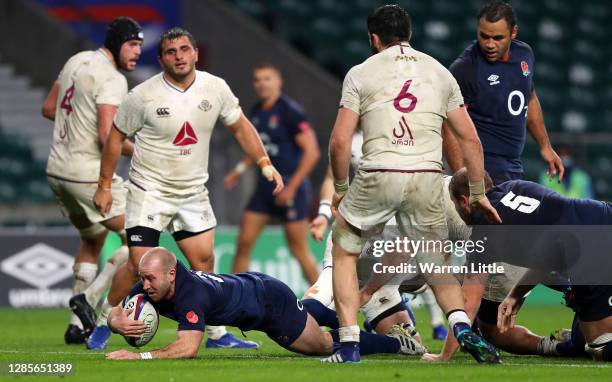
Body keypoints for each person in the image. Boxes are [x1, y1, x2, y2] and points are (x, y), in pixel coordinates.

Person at [74, 27, 284, 349]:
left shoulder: (215, 88)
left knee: (204, 265)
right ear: (161, 59)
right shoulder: (142, 95)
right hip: (149, 190)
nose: (179, 56)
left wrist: (265, 163)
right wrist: (104, 185)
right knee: (138, 266)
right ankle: (104, 321)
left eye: (185, 49)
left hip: (192, 192)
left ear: (195, 53)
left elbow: (240, 126)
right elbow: (115, 137)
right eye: (171, 52)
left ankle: (215, 334)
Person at [324, 4, 501, 363]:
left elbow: (340, 142)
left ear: (374, 38)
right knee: (436, 262)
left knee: (344, 249)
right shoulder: (439, 72)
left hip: (379, 173)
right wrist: (479, 193)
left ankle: (348, 346)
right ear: (409, 35)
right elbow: (471, 141)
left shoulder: (360, 73)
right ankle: (461, 326)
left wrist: (341, 190)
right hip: (427, 177)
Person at [105, 248, 424, 360]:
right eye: (142, 279)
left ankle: (398, 345)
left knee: (323, 345)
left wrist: (140, 357)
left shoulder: (190, 296)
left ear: (171, 274)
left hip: (270, 305)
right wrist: (113, 321)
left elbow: (187, 348)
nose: (144, 286)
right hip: (256, 287)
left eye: (150, 279)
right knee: (311, 317)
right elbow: (119, 310)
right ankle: (351, 319)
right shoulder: (150, 287)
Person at [41, 17, 142, 346]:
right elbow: (106, 135)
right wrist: (144, 149)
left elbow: (48, 108)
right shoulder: (113, 79)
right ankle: (90, 299)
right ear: (116, 43)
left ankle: (76, 325)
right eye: (131, 44)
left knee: (92, 238)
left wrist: (78, 121)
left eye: (140, 45)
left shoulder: (76, 60)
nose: (137, 51)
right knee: (140, 237)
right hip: (86, 175)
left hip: (58, 171)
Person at [449, 168, 612, 362]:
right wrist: (516, 294)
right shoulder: (515, 186)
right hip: (601, 213)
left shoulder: (483, 232)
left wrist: (444, 356)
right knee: (580, 338)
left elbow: (468, 305)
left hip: (586, 248)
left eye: (454, 205)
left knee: (597, 347)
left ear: (464, 201)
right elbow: (551, 245)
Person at [443, 0, 564, 186]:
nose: (489, 44)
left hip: (514, 164)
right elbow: (449, 126)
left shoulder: (525, 54)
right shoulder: (465, 68)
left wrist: (545, 146)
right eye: (484, 36)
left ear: (513, 32)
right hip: (483, 166)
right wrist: (464, 176)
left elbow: (529, 97)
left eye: (498, 38)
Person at [224, 63, 320, 284]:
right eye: (257, 79)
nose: (262, 84)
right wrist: (239, 171)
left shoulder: (290, 111)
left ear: (278, 82)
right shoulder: (256, 111)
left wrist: (292, 187)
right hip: (265, 187)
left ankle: (323, 301)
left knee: (298, 248)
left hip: (291, 187)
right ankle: (235, 299)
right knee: (244, 242)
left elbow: (312, 152)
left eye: (267, 78)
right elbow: (257, 149)